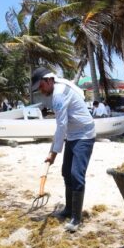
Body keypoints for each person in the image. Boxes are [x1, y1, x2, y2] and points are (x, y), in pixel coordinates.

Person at [32, 67, 96, 232]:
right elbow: (62, 126)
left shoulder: (59, 94)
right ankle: (68, 209)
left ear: (48, 80)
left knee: (76, 174)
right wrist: (53, 149)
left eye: (41, 86)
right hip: (73, 134)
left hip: (85, 135)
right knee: (66, 172)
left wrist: (53, 153)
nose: (40, 90)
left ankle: (76, 218)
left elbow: (61, 125)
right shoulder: (58, 86)